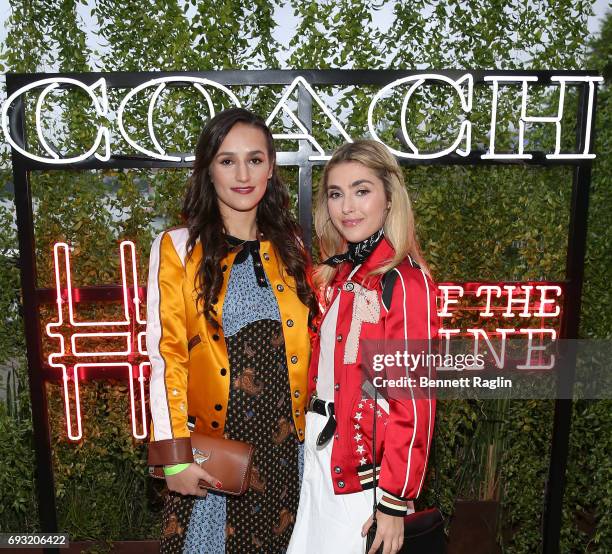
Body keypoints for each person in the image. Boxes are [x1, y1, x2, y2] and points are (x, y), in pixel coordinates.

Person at [146, 107, 317, 553]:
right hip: (216, 457)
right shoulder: (177, 248)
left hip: (284, 455)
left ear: (271, 167)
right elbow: (166, 358)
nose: (243, 174)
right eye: (227, 160)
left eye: (255, 159)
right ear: (208, 170)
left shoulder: (292, 247)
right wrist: (173, 461)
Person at [288, 140, 440, 554]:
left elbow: (415, 399)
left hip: (366, 477)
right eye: (336, 194)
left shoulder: (405, 281)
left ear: (389, 199)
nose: (347, 207)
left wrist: (394, 500)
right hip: (322, 459)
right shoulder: (343, 273)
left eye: (362, 190)